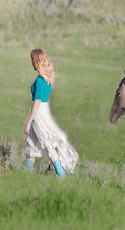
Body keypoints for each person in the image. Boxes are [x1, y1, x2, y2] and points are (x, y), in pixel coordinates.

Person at [24, 48, 78, 176]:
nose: (31, 63)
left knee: (47, 144)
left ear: (37, 61)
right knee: (31, 143)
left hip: (38, 115)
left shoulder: (39, 81)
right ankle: (27, 173)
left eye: (32, 60)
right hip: (44, 112)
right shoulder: (47, 78)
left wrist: (28, 122)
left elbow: (36, 104)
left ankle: (61, 174)